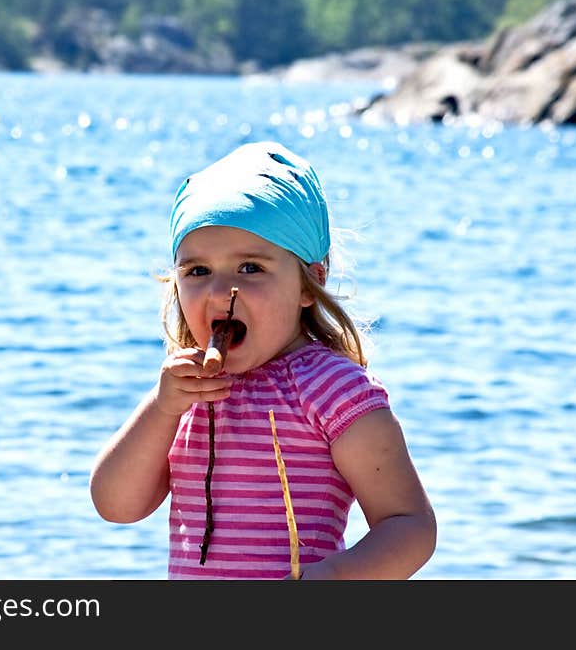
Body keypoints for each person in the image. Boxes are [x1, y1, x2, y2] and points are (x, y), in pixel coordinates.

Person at [90, 141, 436, 579]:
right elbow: (116, 505)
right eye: (197, 271)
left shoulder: (332, 388)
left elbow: (410, 524)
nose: (220, 292)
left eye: (250, 268)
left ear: (311, 283)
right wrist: (162, 409)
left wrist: (337, 576)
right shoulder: (184, 392)